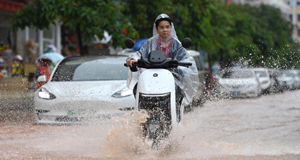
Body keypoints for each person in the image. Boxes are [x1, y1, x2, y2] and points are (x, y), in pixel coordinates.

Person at [126, 13, 199, 104]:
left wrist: (180, 66)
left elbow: (185, 59)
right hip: (151, 76)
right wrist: (133, 60)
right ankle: (143, 112)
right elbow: (139, 53)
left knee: (179, 91)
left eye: (167, 27)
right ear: (157, 29)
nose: (165, 30)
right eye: (161, 27)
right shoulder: (150, 42)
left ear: (171, 27)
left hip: (172, 77)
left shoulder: (177, 44)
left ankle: (176, 111)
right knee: (137, 88)